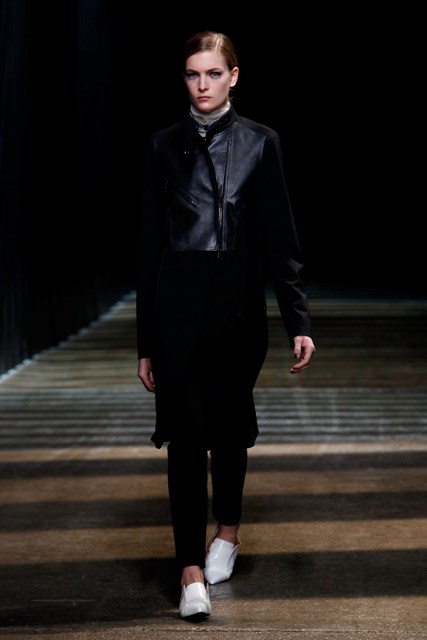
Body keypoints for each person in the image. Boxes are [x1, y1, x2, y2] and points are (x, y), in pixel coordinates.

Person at [136, 30, 316, 619]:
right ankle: (190, 569)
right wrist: (145, 341)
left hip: (238, 314)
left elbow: (280, 239)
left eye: (214, 73)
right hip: (176, 315)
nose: (203, 85)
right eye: (193, 74)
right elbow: (149, 249)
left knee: (230, 431)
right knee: (185, 437)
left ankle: (228, 534)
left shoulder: (261, 143)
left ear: (233, 76)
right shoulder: (162, 146)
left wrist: (297, 319)